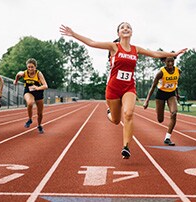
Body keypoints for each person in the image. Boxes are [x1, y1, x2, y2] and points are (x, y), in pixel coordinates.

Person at [60, 23, 187, 159]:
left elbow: (155, 53)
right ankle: (109, 113)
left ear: (131, 32)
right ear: (119, 33)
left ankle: (126, 147)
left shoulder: (135, 49)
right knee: (115, 120)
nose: (126, 28)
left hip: (129, 88)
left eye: (129, 27)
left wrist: (174, 54)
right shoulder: (114, 47)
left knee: (128, 113)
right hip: (113, 88)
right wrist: (73, 34)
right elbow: (92, 42)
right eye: (123, 27)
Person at [143, 55, 181, 146]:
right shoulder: (160, 73)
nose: (170, 63)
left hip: (171, 94)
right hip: (161, 94)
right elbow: (153, 87)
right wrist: (147, 100)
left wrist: (177, 93)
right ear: (164, 62)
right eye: (168, 62)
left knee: (174, 113)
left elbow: (175, 83)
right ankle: (159, 112)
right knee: (160, 119)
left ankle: (167, 138)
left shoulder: (178, 71)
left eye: (172, 61)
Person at [14, 58, 48, 134]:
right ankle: (30, 119)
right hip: (28, 91)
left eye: (32, 67)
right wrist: (16, 81)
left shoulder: (38, 74)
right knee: (30, 103)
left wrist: (37, 88)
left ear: (35, 67)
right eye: (29, 67)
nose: (30, 69)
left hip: (38, 92)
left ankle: (39, 125)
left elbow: (45, 86)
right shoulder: (24, 73)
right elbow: (18, 74)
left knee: (40, 113)